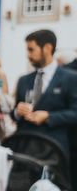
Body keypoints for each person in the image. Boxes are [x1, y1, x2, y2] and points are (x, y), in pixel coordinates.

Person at [13, 29, 77, 160]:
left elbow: (75, 113)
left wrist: (48, 116)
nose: (28, 55)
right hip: (24, 149)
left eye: (31, 50)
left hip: (54, 150)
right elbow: (13, 113)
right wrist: (17, 111)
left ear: (47, 48)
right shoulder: (23, 80)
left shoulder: (70, 78)